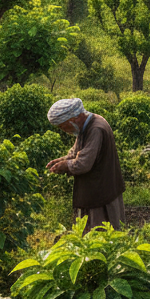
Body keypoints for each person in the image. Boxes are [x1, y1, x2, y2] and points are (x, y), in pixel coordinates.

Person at [46, 98, 125, 233]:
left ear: (74, 119)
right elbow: (76, 152)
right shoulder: (85, 125)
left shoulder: (96, 129)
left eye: (63, 126)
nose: (63, 130)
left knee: (101, 235)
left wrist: (65, 166)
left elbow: (83, 164)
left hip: (101, 193)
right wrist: (61, 160)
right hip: (96, 190)